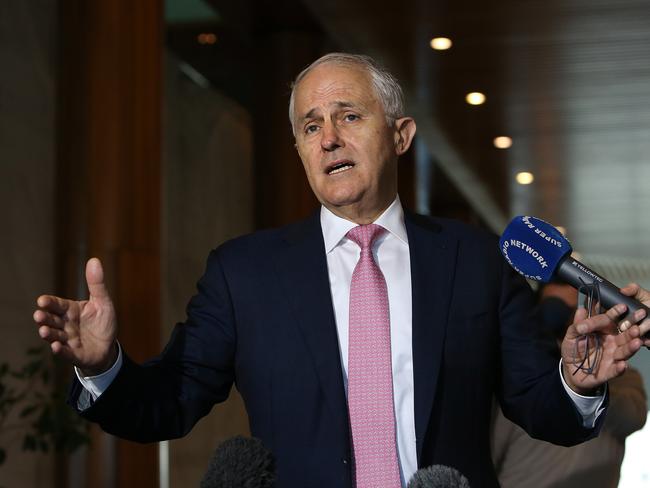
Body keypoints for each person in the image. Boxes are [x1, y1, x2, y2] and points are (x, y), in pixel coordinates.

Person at [32, 53, 650, 488]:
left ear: (401, 134)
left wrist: (575, 382)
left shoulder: (476, 261)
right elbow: (169, 403)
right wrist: (103, 366)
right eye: (310, 126)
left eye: (349, 116)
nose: (328, 138)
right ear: (300, 151)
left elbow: (538, 409)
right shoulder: (243, 273)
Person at [492, 282, 648, 487]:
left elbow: (632, 418)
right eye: (553, 307)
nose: (562, 318)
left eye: (572, 310)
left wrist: (588, 384)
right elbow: (492, 447)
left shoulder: (623, 375)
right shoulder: (523, 377)